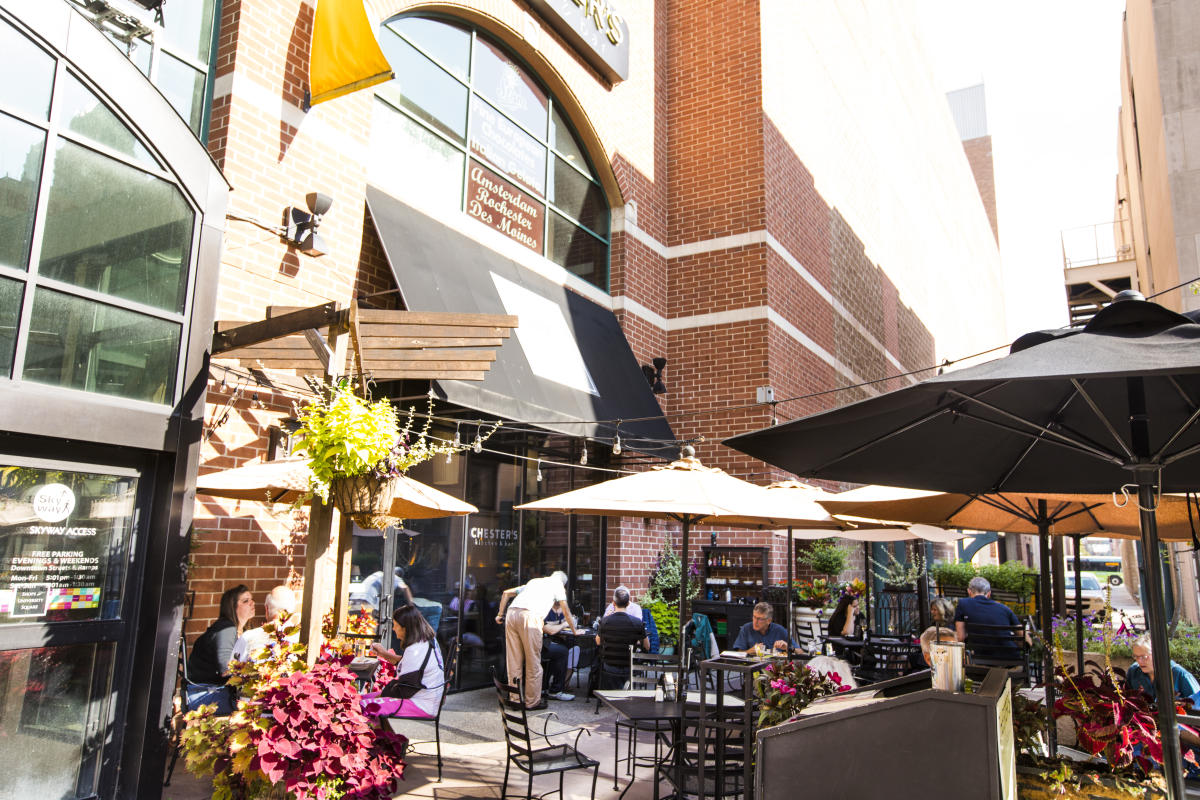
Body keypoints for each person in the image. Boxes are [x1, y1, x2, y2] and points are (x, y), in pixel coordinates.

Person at [496, 570, 577, 710]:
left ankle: (515, 700)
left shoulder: (534, 581)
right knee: (533, 662)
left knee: (514, 661)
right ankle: (531, 702)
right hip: (530, 617)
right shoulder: (557, 585)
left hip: (512, 613)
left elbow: (506, 593)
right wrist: (575, 630)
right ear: (563, 583)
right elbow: (567, 612)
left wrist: (499, 614)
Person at [368, 604, 446, 718]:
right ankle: (384, 734)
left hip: (421, 704)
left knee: (363, 706)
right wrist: (383, 653)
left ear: (405, 628)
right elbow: (408, 663)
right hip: (428, 700)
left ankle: (381, 735)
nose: (393, 629)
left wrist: (381, 696)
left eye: (395, 625)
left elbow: (404, 690)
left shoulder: (415, 650)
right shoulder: (425, 641)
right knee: (360, 699)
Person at [188, 584, 255, 684]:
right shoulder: (226, 628)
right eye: (246, 601)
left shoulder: (245, 631)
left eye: (251, 599)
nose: (252, 603)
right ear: (232, 607)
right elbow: (226, 668)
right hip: (207, 690)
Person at [953, 576, 1021, 659]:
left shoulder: (963, 604)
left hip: (980, 661)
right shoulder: (1005, 609)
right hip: (1011, 660)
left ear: (969, 592)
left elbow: (961, 637)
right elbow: (1025, 638)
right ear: (989, 594)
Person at [232, 585, 298, 662]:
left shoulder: (249, 637)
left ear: (266, 609)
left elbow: (233, 667)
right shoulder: (301, 638)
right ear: (293, 610)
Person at [542, 606, 576, 701]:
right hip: (539, 644)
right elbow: (549, 630)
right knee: (562, 652)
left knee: (568, 647)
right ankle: (555, 691)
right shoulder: (543, 610)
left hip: (545, 642)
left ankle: (546, 687)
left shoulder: (563, 609)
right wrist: (565, 623)